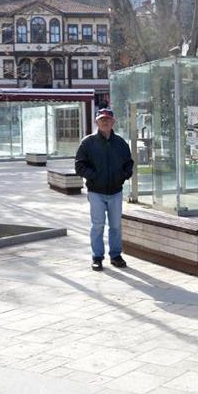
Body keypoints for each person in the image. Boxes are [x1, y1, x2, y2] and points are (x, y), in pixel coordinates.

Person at [75, 107, 134, 271]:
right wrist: (94, 176)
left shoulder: (120, 143)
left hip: (115, 191)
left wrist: (123, 175)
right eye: (102, 119)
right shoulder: (88, 142)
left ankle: (115, 255)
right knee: (97, 225)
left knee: (115, 225)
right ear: (96, 122)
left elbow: (129, 163)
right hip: (96, 192)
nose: (105, 121)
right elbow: (79, 166)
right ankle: (97, 257)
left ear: (113, 122)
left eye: (108, 119)